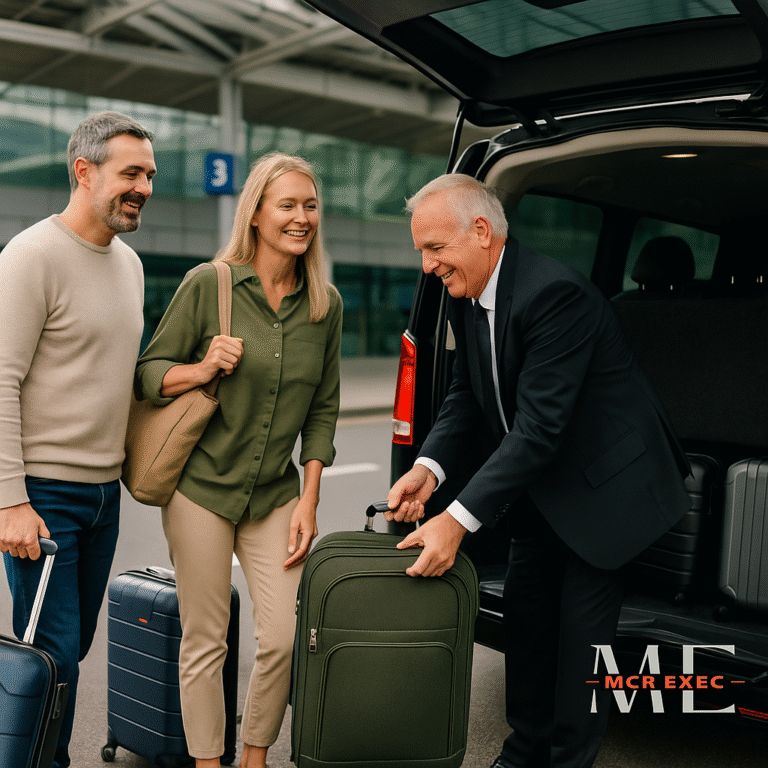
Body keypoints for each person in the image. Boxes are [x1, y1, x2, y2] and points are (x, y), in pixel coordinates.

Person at [386, 174, 691, 768]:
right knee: (527, 629)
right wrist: (429, 467)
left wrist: (456, 521)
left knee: (581, 653)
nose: (427, 266)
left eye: (434, 248)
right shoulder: (469, 296)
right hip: (540, 492)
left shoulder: (555, 294)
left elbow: (538, 429)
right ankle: (522, 751)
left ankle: (569, 761)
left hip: (604, 493)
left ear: (481, 232)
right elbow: (468, 397)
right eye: (421, 251)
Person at [134, 152, 342, 768]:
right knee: (206, 639)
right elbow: (147, 375)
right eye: (287, 205)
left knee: (280, 638)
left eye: (310, 205)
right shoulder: (210, 283)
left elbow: (324, 410)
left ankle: (253, 757)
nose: (301, 218)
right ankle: (206, 762)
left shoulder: (323, 304)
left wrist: (309, 498)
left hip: (275, 495)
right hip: (201, 489)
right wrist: (200, 369)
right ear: (255, 213)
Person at [0, 111, 155, 768]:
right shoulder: (31, 256)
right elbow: (0, 379)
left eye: (150, 173)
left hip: (101, 497)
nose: (144, 186)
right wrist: (10, 500)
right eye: (131, 172)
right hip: (43, 494)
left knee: (73, 644)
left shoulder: (131, 265)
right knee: (52, 653)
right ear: (84, 170)